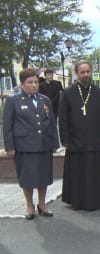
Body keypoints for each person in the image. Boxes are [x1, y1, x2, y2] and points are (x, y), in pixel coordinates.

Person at [3, 68, 59, 219]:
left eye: (35, 82)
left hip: (44, 145)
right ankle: (29, 205)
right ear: (22, 84)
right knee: (27, 177)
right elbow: (7, 126)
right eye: (29, 82)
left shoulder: (45, 100)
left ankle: (42, 203)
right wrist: (9, 147)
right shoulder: (13, 101)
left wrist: (55, 142)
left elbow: (52, 123)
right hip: (24, 146)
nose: (34, 85)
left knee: (43, 176)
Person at [59, 60, 100, 211]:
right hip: (76, 141)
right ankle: (78, 201)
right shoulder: (68, 93)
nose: (86, 75)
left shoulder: (98, 92)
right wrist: (65, 139)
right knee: (78, 173)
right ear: (77, 73)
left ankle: (97, 200)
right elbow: (63, 118)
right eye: (83, 72)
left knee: (94, 172)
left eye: (88, 71)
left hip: (95, 140)